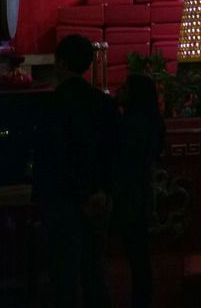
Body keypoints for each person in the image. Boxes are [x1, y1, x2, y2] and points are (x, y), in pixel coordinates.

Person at [33, 35, 120, 308]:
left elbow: (54, 155)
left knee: (64, 276)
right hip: (97, 197)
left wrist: (77, 194)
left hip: (62, 199)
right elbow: (113, 152)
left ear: (59, 62)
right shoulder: (104, 103)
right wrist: (100, 191)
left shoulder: (51, 104)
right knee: (94, 269)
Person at [112, 74, 165, 308]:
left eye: (123, 87)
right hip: (142, 193)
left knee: (136, 255)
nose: (118, 91)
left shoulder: (132, 125)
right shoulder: (150, 122)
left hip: (130, 194)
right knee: (139, 256)